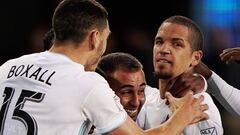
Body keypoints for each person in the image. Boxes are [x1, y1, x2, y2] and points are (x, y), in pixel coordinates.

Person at [0, 0, 208, 135]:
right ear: (94, 38)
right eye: (106, 37)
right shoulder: (86, 83)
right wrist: (183, 116)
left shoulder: (8, 68)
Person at [137, 15, 223, 135]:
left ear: (195, 58)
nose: (164, 49)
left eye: (177, 44)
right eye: (159, 42)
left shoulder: (201, 106)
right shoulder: (142, 101)